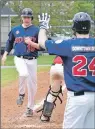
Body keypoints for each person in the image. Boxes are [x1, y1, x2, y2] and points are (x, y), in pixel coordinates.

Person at [37, 12, 95, 128]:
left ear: (74, 28)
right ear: (89, 26)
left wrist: (43, 27)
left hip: (77, 98)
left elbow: (42, 43)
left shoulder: (68, 44)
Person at [2, 8, 40, 117]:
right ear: (21, 18)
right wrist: (5, 54)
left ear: (31, 18)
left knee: (32, 86)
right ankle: (21, 93)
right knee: (23, 73)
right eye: (24, 17)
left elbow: (41, 45)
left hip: (32, 60)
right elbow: (9, 42)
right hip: (19, 58)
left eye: (28, 17)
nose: (26, 19)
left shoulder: (36, 30)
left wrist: (32, 43)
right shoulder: (15, 30)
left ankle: (30, 108)